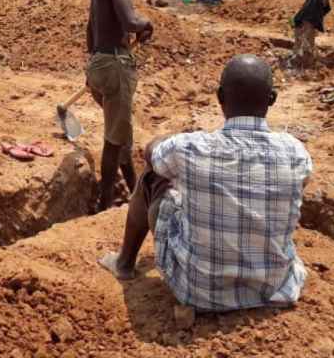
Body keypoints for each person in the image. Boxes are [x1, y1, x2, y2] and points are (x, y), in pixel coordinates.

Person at [99, 55, 313, 313]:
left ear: (220, 97)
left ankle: (124, 263)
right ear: (272, 99)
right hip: (273, 289)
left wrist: (165, 141)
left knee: (153, 176)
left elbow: (152, 153)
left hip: (197, 292)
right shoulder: (295, 152)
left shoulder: (190, 147)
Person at [85, 0, 154, 212]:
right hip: (115, 64)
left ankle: (137, 187)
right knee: (114, 139)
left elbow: (90, 26)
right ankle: (106, 204)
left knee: (121, 130)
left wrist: (93, 64)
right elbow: (129, 21)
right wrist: (146, 23)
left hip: (100, 64)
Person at [291, 0, 331, 68]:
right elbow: (304, 40)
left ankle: (300, 63)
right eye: (324, 1)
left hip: (303, 29)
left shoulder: (310, 12)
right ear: (317, 1)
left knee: (305, 45)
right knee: (305, 46)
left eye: (326, 1)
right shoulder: (309, 16)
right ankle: (302, 66)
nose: (325, 3)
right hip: (302, 49)